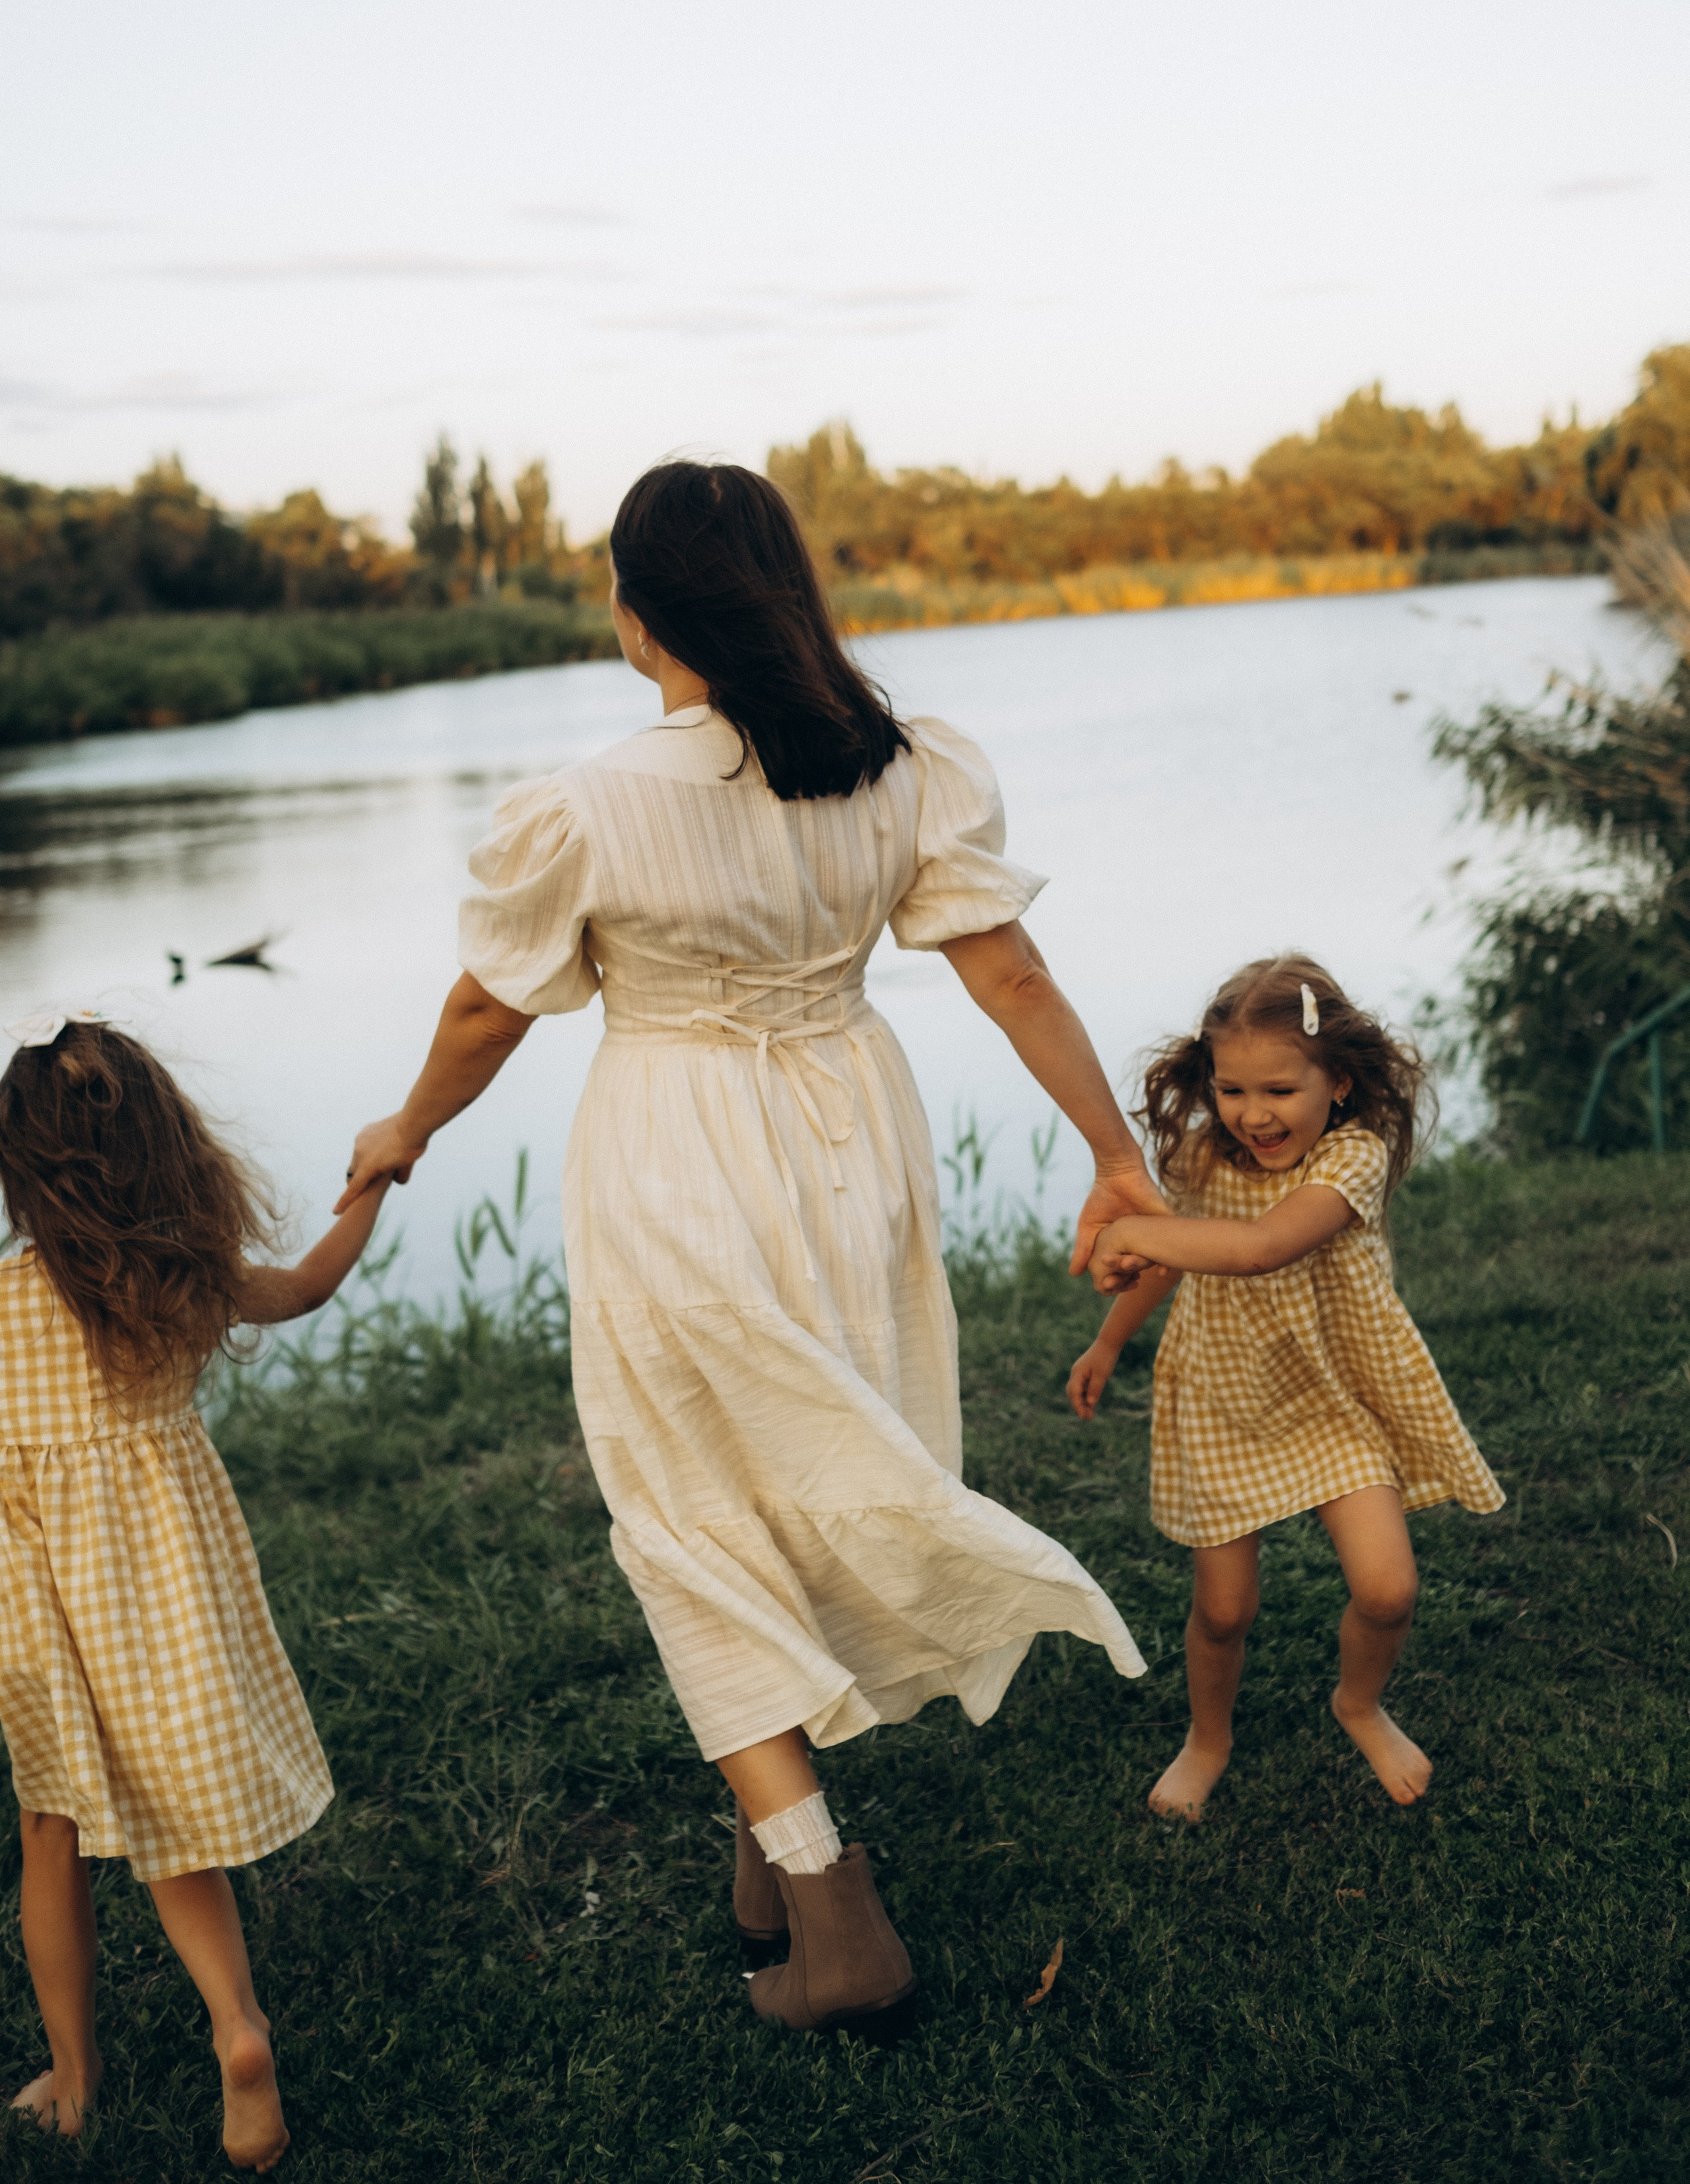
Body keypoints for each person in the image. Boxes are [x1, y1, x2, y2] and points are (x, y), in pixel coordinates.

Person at [339, 461, 1163, 2038]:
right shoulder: (897, 760)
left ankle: (832, 1908)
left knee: (684, 1515)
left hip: (679, 1151)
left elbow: (479, 1006)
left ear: (634, 610)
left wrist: (407, 1130)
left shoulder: (588, 804)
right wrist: (1111, 1151)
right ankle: (760, 1856)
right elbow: (1006, 973)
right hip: (851, 1141)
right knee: (782, 1472)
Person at [0, 1012, 389, 2168]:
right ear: (167, 1148)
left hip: (35, 1611)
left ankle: (73, 2076)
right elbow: (312, 1284)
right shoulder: (183, 1284)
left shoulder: (5, 1307)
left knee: (48, 1827)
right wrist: (371, 1179)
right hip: (161, 1601)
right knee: (176, 1832)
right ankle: (237, 2024)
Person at [1067, 954, 1503, 1822]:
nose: (1254, 1115)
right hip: (1223, 1401)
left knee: (1388, 1589)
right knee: (1224, 1611)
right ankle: (1208, 1737)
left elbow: (1261, 1245)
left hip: (1331, 1396)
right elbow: (1172, 1257)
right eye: (1232, 1090)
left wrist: (1133, 1228)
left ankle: (1359, 1704)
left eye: (1279, 1091)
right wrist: (1111, 1338)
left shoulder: (1352, 1158)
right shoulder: (1201, 1156)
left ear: (1336, 1083)